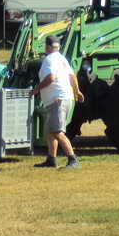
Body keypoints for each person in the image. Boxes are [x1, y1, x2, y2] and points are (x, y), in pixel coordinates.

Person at [30, 35, 84, 169]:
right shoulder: (62, 59)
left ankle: (73, 159)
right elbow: (72, 76)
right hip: (65, 98)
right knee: (50, 131)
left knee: (57, 132)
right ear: (58, 46)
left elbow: (51, 77)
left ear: (47, 47)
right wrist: (77, 92)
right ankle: (51, 159)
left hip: (57, 100)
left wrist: (36, 89)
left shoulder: (49, 59)